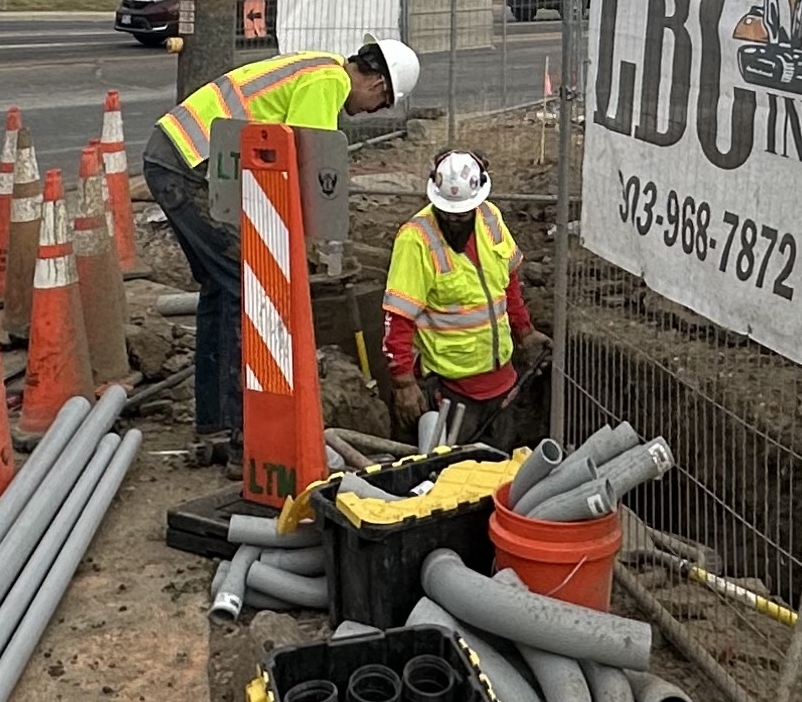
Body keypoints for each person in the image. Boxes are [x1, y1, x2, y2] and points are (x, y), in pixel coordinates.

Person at [144, 33, 420, 460]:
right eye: (379, 106)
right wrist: (307, 243)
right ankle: (244, 438)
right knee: (244, 285)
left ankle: (215, 425)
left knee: (220, 289)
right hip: (189, 166)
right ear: (379, 87)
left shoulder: (317, 66)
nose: (367, 114)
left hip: (175, 155)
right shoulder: (329, 82)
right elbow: (305, 165)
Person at [380, 150, 544, 444]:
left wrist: (526, 332)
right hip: (451, 389)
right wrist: (403, 382)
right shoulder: (416, 238)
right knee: (451, 475)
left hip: (501, 382)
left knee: (498, 469)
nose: (455, 221)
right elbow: (399, 315)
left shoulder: (491, 219)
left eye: (463, 214)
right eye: (447, 214)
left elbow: (509, 282)